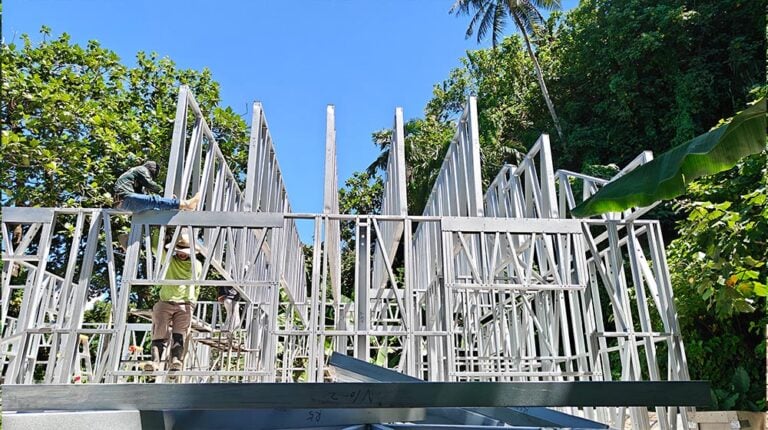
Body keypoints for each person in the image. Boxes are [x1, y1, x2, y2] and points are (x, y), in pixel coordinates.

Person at [144, 232, 202, 374]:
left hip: (185, 303)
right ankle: (155, 362)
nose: (182, 254)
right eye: (180, 251)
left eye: (185, 252)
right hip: (166, 301)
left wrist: (193, 302)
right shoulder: (170, 259)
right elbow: (155, 247)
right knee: (159, 332)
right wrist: (160, 230)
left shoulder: (196, 265)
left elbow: (197, 285)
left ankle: (176, 361)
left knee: (179, 334)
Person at [114, 161, 201, 213]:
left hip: (122, 203)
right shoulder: (142, 169)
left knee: (154, 208)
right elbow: (149, 183)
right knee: (154, 200)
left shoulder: (134, 177)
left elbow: (143, 195)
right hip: (126, 198)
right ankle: (186, 204)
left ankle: (178, 211)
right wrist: (163, 192)